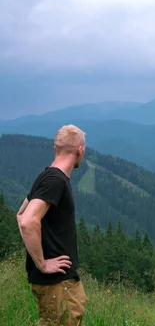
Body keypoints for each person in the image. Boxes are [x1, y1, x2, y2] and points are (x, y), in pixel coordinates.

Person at [16, 125, 88, 325]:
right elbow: (27, 221)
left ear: (55, 148)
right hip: (58, 284)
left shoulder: (46, 176)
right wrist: (42, 263)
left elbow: (21, 214)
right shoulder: (56, 181)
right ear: (80, 151)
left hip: (52, 284)